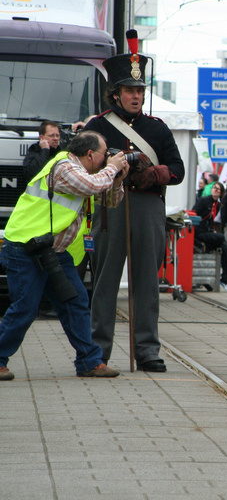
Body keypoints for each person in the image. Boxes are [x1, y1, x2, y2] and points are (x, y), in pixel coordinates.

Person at [85, 30, 186, 373]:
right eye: (130, 90)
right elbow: (83, 163)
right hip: (110, 206)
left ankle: (147, 350)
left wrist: (155, 173)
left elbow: (178, 169)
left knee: (146, 283)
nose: (136, 96)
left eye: (140, 90)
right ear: (116, 93)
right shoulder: (98, 126)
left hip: (148, 208)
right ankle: (98, 351)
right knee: (105, 282)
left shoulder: (157, 128)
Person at [0, 131, 129, 380]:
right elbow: (92, 186)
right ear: (90, 154)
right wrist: (112, 168)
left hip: (53, 250)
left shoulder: (86, 173)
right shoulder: (64, 167)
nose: (107, 159)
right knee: (26, 308)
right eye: (105, 154)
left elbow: (109, 201)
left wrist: (116, 180)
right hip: (25, 247)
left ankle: (90, 362)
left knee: (76, 302)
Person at [192, 181, 227, 292]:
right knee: (221, 238)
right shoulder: (204, 201)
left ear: (221, 193)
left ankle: (226, 281)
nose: (215, 190)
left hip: (210, 232)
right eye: (214, 188)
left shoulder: (219, 205)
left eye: (218, 189)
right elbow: (194, 213)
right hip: (200, 231)